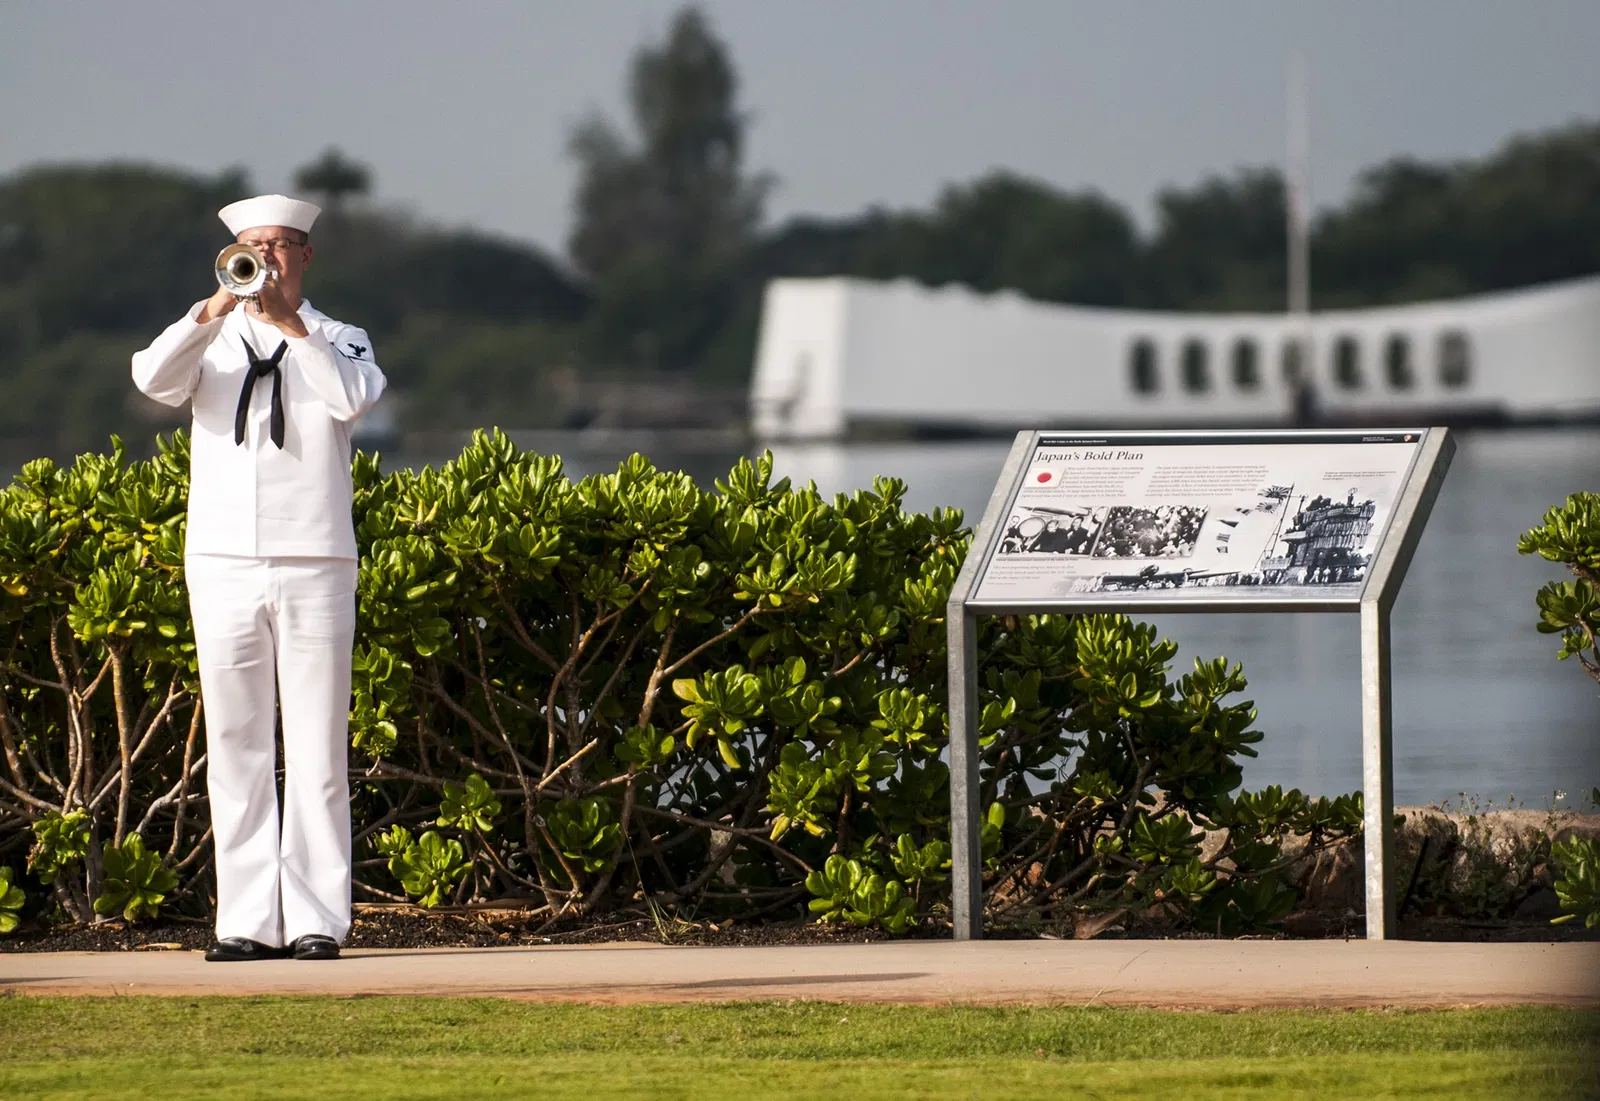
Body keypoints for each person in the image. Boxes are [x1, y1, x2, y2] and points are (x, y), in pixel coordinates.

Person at [132, 195, 385, 962]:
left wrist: (290, 326)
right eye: (251, 247)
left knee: (316, 746)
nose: (265, 259)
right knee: (236, 741)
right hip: (221, 561)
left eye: (278, 246)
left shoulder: (338, 338)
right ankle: (243, 918)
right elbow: (151, 379)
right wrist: (213, 307)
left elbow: (352, 398)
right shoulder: (208, 334)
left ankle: (315, 919)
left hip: (316, 560)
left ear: (305, 256)